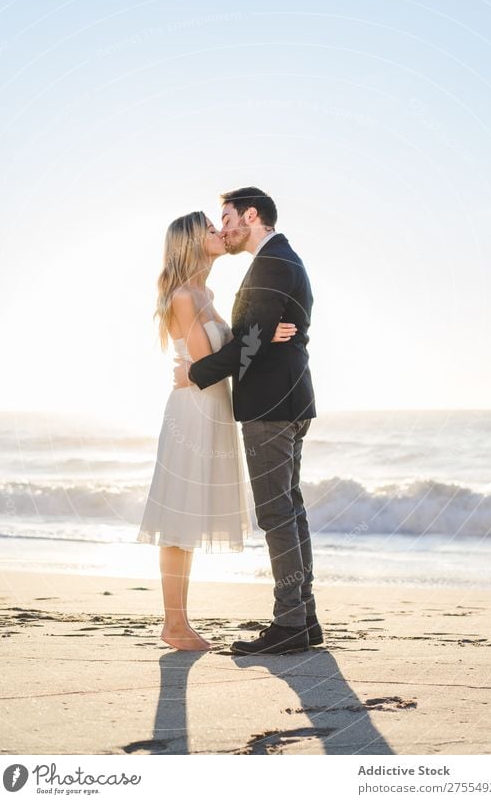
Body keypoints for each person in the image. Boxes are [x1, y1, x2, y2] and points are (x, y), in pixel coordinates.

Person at [137, 210, 297, 651]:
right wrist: (261, 339)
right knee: (178, 517)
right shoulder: (186, 295)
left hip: (212, 404)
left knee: (189, 514)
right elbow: (209, 360)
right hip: (192, 410)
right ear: (191, 241)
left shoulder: (206, 291)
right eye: (210, 229)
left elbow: (216, 362)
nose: (218, 233)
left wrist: (264, 336)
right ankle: (174, 624)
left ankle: (179, 622)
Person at [174, 188, 323, 655]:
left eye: (227, 217)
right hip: (289, 400)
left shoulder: (273, 262)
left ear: (251, 215)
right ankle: (305, 617)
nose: (224, 227)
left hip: (271, 406)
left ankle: (291, 622)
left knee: (277, 513)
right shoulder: (282, 258)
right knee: (290, 510)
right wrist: (260, 338)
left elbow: (249, 344)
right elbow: (255, 336)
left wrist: (195, 374)